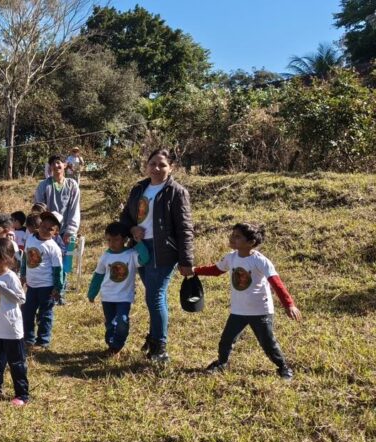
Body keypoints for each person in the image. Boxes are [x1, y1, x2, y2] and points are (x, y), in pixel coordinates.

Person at [193, 223, 300, 380]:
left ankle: (283, 367)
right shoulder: (231, 257)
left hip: (260, 310)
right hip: (238, 311)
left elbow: (276, 283)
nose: (232, 238)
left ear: (250, 243)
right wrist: (195, 270)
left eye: (237, 236)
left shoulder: (261, 261)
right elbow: (216, 270)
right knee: (226, 341)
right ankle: (221, 363)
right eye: (232, 234)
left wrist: (289, 304)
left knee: (268, 343)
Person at [118, 148, 195, 363]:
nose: (156, 168)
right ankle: (152, 339)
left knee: (155, 296)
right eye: (153, 164)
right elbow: (126, 218)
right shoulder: (139, 188)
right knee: (151, 296)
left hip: (163, 252)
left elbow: (185, 228)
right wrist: (132, 230)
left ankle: (160, 347)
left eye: (162, 164)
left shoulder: (176, 192)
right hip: (140, 249)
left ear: (171, 167)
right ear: (147, 165)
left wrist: (186, 260)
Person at [87, 222, 149, 354]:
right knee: (110, 323)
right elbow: (98, 275)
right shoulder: (105, 256)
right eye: (109, 240)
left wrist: (139, 243)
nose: (112, 243)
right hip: (107, 296)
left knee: (122, 320)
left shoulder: (131, 254)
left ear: (125, 239)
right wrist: (92, 293)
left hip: (124, 296)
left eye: (116, 240)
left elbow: (145, 259)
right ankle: (111, 343)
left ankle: (117, 344)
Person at [0, 237, 29, 407]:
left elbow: (21, 298)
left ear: (4, 258)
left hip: (11, 329)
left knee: (16, 362)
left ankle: (22, 394)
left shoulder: (11, 277)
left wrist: (4, 289)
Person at [34, 154, 81, 304]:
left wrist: (70, 230)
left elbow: (74, 209)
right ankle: (49, 293)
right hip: (48, 230)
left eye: (59, 163)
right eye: (53, 164)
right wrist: (43, 229)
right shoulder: (44, 185)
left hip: (65, 231)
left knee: (63, 263)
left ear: (65, 165)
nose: (56, 166)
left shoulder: (72, 185)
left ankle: (60, 293)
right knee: (48, 262)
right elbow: (39, 208)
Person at [21, 212, 64, 348]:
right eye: (43, 226)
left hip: (47, 287)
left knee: (45, 314)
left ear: (55, 233)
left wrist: (57, 288)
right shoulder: (30, 240)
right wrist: (23, 274)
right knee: (27, 312)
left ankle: (43, 340)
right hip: (32, 285)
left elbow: (58, 270)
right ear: (39, 226)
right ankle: (28, 338)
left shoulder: (53, 248)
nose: (45, 230)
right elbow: (25, 259)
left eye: (50, 229)